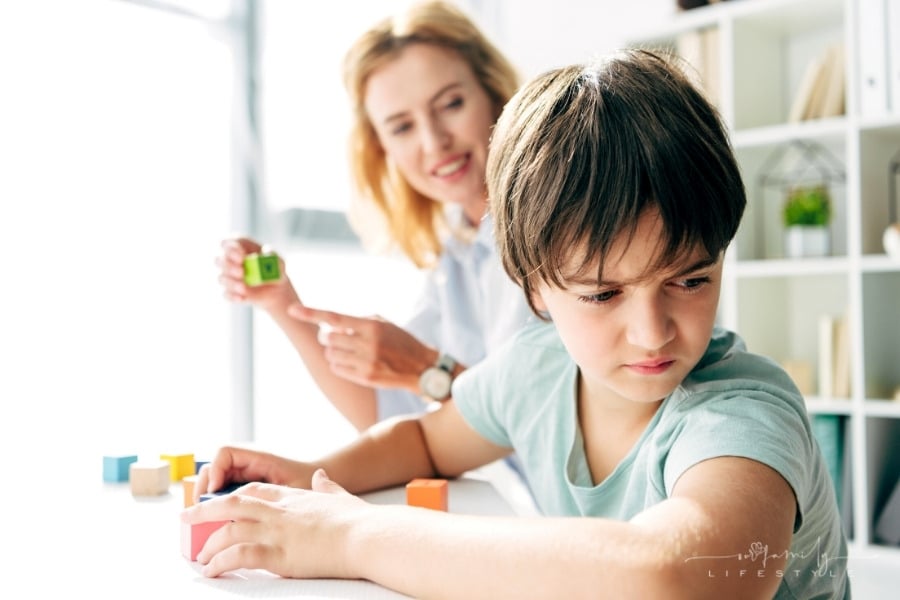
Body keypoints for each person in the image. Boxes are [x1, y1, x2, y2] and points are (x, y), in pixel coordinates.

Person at [185, 49, 850, 599]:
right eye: (602, 294)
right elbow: (425, 442)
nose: (652, 333)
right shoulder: (537, 365)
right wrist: (308, 474)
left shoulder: (742, 411)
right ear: (534, 286)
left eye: (691, 280)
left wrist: (352, 535)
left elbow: (679, 574)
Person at [217, 0, 533, 432]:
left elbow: (542, 423)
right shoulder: (458, 250)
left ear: (495, 94)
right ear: (382, 148)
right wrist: (282, 302)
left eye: (451, 104)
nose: (433, 142)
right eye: (402, 127)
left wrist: (425, 369)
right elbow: (388, 409)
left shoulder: (554, 230)